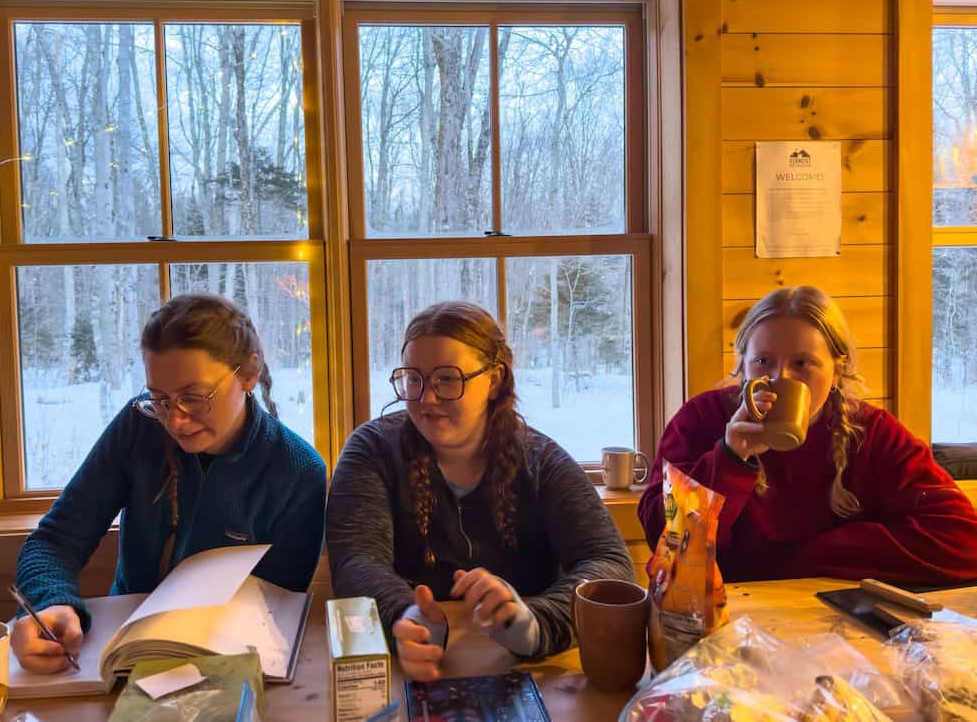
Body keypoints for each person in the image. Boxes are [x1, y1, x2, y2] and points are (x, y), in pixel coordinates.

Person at [12, 294, 327, 673]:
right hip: (123, 653)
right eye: (159, 398)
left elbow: (278, 606)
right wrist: (50, 603)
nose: (175, 421)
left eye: (194, 398)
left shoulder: (298, 471)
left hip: (234, 662)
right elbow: (54, 542)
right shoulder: (138, 427)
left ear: (248, 373)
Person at [326, 301, 633, 682]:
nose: (427, 398)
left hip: (526, 671)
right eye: (413, 379)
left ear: (494, 380)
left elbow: (608, 563)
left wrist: (534, 621)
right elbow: (357, 561)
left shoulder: (541, 461)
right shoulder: (372, 449)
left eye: (447, 379)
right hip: (411, 671)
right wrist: (404, 617)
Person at [638, 285, 977, 585]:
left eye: (802, 364)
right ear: (742, 366)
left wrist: (816, 556)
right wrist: (730, 457)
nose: (778, 378)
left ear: (837, 370)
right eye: (762, 361)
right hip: (721, 614)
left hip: (828, 621)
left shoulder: (871, 432)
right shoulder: (702, 419)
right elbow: (663, 539)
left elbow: (964, 539)